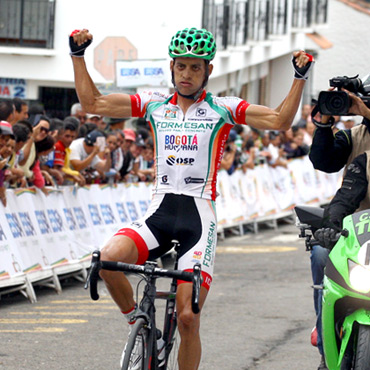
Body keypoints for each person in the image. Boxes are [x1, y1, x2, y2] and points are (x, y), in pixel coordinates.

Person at [70, 26, 313, 369]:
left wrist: (299, 77)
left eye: (195, 67)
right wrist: (78, 57)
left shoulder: (222, 109)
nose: (186, 74)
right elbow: (93, 103)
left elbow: (279, 120)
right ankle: (139, 325)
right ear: (172, 67)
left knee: (187, 318)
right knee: (108, 260)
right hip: (159, 211)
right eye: (181, 66)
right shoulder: (154, 105)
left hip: (199, 220)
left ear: (208, 71)